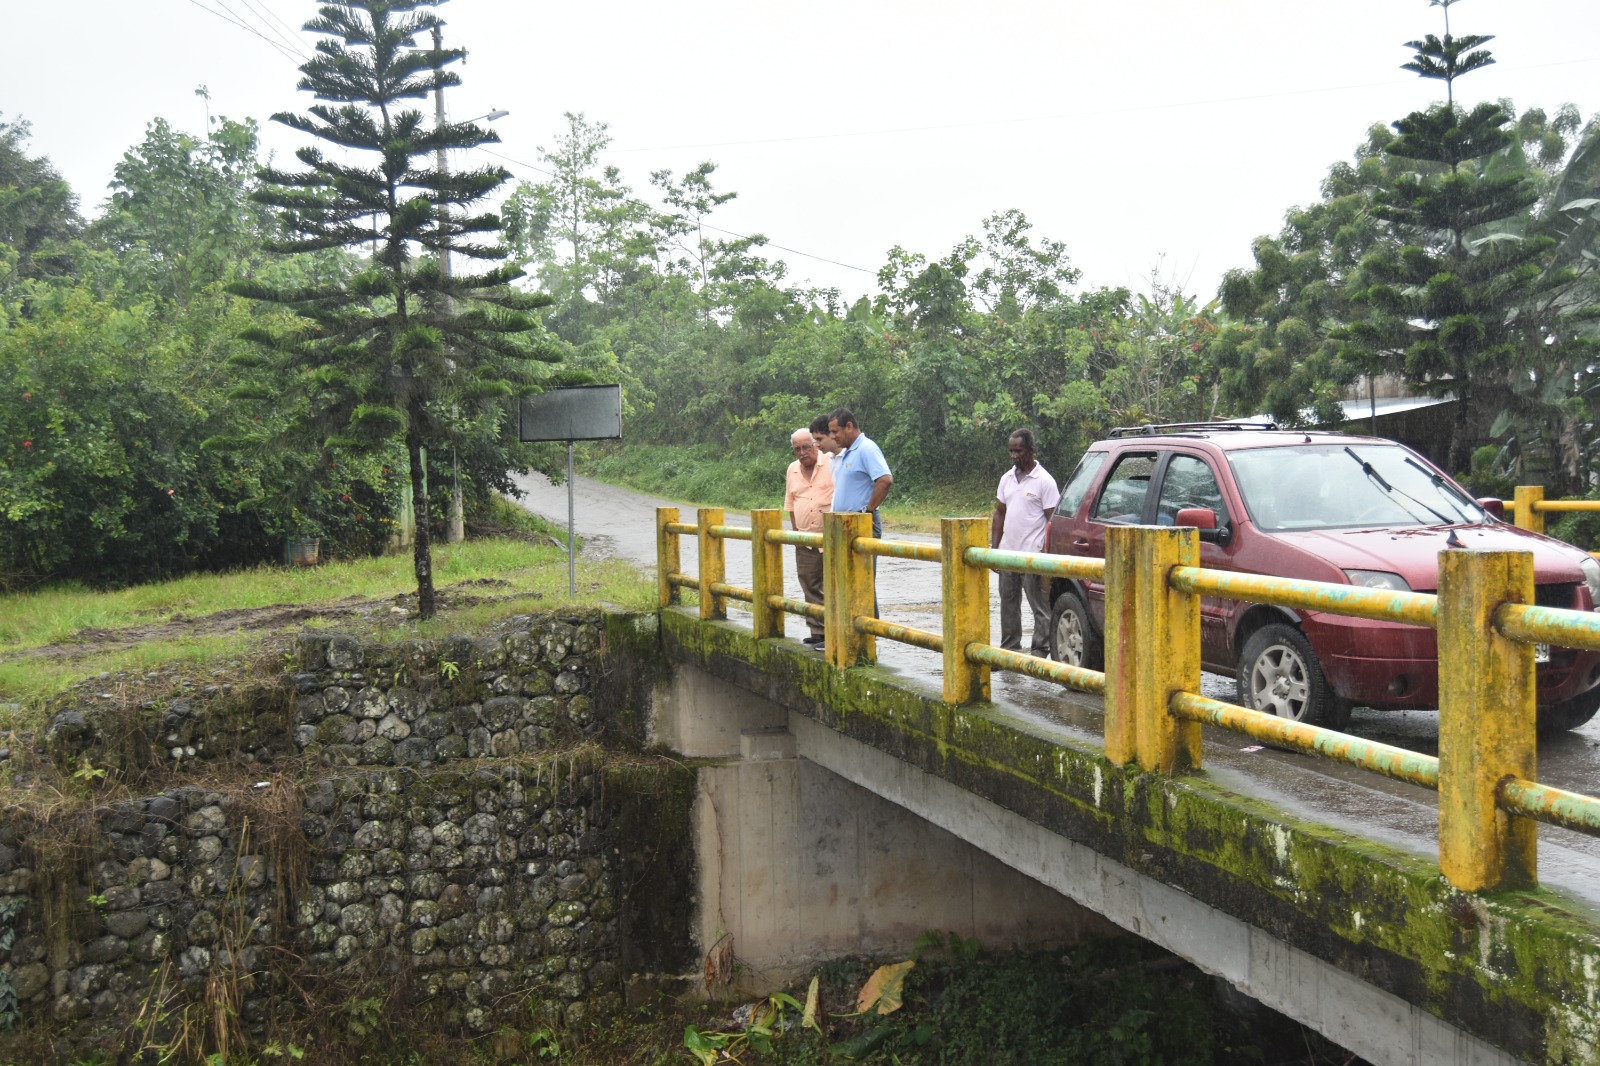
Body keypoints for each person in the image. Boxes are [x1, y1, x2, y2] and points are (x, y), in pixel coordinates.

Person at [991, 429, 1060, 657]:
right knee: (1008, 604)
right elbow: (1000, 513)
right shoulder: (1006, 478)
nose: (1014, 456)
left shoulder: (1044, 481)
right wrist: (994, 549)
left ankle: (1040, 650)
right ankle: (1009, 649)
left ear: (1030, 451)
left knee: (1039, 605)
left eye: (1018, 451)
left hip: (1033, 554)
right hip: (1008, 554)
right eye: (1011, 451)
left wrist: (1047, 554)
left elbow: (1052, 520)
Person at [784, 427, 833, 647]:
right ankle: (817, 631)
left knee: (831, 585)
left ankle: (833, 632)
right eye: (797, 449)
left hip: (829, 536)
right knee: (809, 583)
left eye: (806, 447)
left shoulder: (830, 462)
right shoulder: (792, 469)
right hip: (805, 537)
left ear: (815, 445)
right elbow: (790, 503)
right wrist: (797, 534)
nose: (802, 452)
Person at [827, 407, 891, 538]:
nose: (832, 437)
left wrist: (868, 512)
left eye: (835, 431)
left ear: (849, 426)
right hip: (846, 524)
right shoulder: (847, 452)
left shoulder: (866, 448)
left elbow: (885, 480)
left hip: (861, 524)